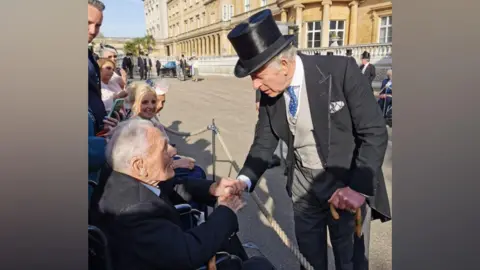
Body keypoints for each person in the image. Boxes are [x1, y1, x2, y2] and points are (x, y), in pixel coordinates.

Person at [226, 9, 390, 270]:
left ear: (283, 64)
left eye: (257, 75)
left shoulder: (340, 71)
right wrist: (243, 181)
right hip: (303, 187)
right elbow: (263, 143)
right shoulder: (272, 92)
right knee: (309, 260)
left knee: (351, 261)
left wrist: (357, 187)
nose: (255, 86)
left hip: (345, 183)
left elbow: (374, 132)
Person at [92, 119, 275, 270]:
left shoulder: (121, 176)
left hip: (163, 251)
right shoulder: (136, 213)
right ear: (139, 165)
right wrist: (227, 210)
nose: (174, 151)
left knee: (231, 243)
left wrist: (212, 189)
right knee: (260, 266)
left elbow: (171, 188)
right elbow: (186, 254)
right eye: (164, 148)